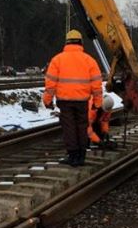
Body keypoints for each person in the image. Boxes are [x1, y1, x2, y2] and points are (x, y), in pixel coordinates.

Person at [43, 29, 103, 167]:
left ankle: (72, 155)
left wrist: (47, 100)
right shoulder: (89, 60)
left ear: (67, 43)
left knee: (69, 127)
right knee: (82, 126)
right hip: (82, 101)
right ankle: (81, 156)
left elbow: (50, 84)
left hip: (64, 101)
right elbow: (97, 85)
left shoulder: (57, 60)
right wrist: (97, 103)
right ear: (81, 43)